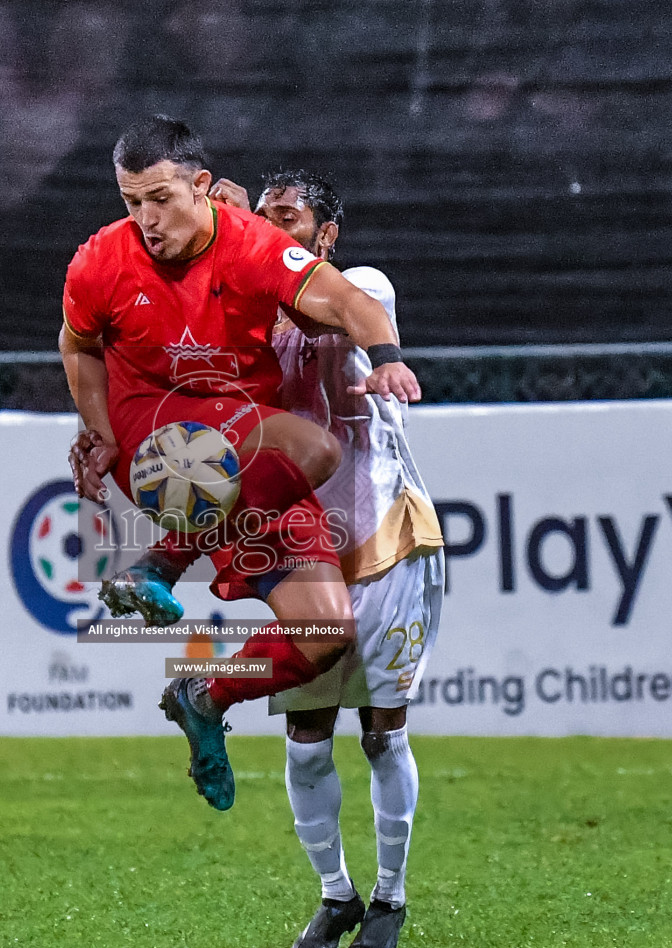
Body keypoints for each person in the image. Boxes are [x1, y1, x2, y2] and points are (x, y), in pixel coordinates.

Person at [80, 169, 443, 948]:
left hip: (381, 533)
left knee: (383, 734)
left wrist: (374, 350)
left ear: (325, 234)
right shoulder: (243, 298)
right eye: (267, 218)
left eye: (292, 219)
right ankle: (334, 892)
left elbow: (343, 323)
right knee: (307, 738)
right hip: (294, 528)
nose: (275, 229)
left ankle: (388, 900)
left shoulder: (353, 286)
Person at [58, 116, 420, 815]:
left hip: (246, 463)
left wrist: (389, 358)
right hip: (158, 441)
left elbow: (347, 300)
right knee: (312, 448)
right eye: (132, 202)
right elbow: (78, 346)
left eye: (160, 198)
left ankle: (205, 692)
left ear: (201, 185)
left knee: (324, 634)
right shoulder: (100, 261)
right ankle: (159, 562)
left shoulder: (251, 248)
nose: (146, 219)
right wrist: (99, 430)